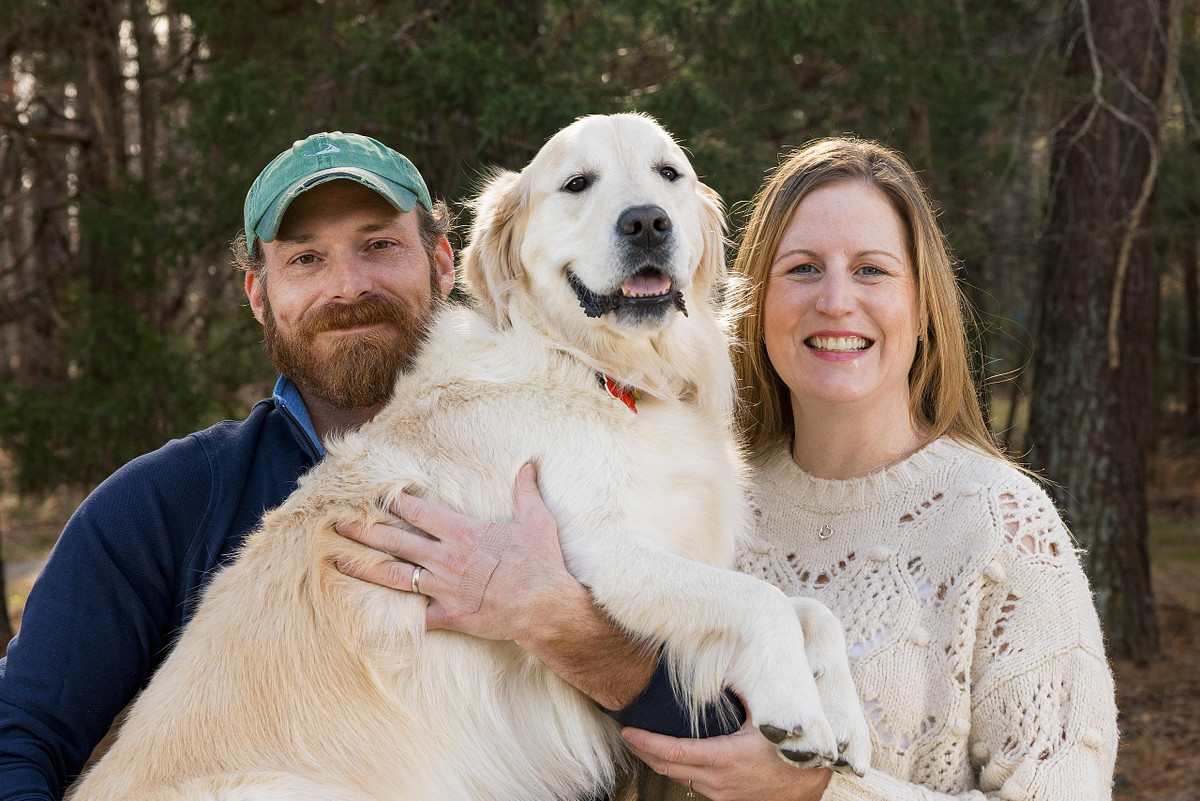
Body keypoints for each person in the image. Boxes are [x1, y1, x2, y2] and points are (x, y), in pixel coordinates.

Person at [0, 131, 684, 800]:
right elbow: (18, 737)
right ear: (258, 294)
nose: (348, 285)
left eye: (379, 245)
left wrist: (568, 630)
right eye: (305, 260)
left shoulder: (590, 460)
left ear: (444, 263)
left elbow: (716, 737)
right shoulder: (163, 504)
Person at [622, 138, 1119, 801]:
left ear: (922, 310)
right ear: (758, 300)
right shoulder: (698, 501)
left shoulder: (1001, 525)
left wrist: (817, 791)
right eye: (801, 268)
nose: (834, 300)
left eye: (871, 270)